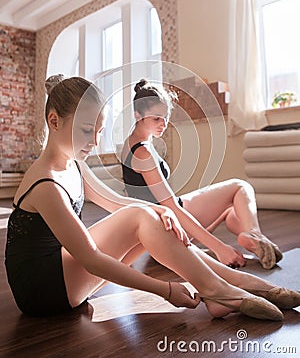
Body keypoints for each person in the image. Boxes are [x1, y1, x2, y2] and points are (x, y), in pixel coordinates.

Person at [5, 75, 299, 321]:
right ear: (54, 121)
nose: (95, 142)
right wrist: (165, 289)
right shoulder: (45, 184)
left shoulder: (73, 163)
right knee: (140, 216)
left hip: (65, 276)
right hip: (44, 293)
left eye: (100, 131)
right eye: (86, 130)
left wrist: (159, 211)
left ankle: (231, 285)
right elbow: (92, 260)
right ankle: (221, 289)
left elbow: (112, 202)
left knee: (147, 215)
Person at [121, 79, 283, 270]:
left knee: (232, 211)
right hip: (168, 230)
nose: (163, 124)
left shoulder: (130, 144)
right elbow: (170, 205)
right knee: (240, 187)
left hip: (162, 230)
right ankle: (254, 234)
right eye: (156, 118)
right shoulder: (143, 153)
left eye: (166, 117)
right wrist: (219, 248)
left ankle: (258, 242)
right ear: (137, 115)